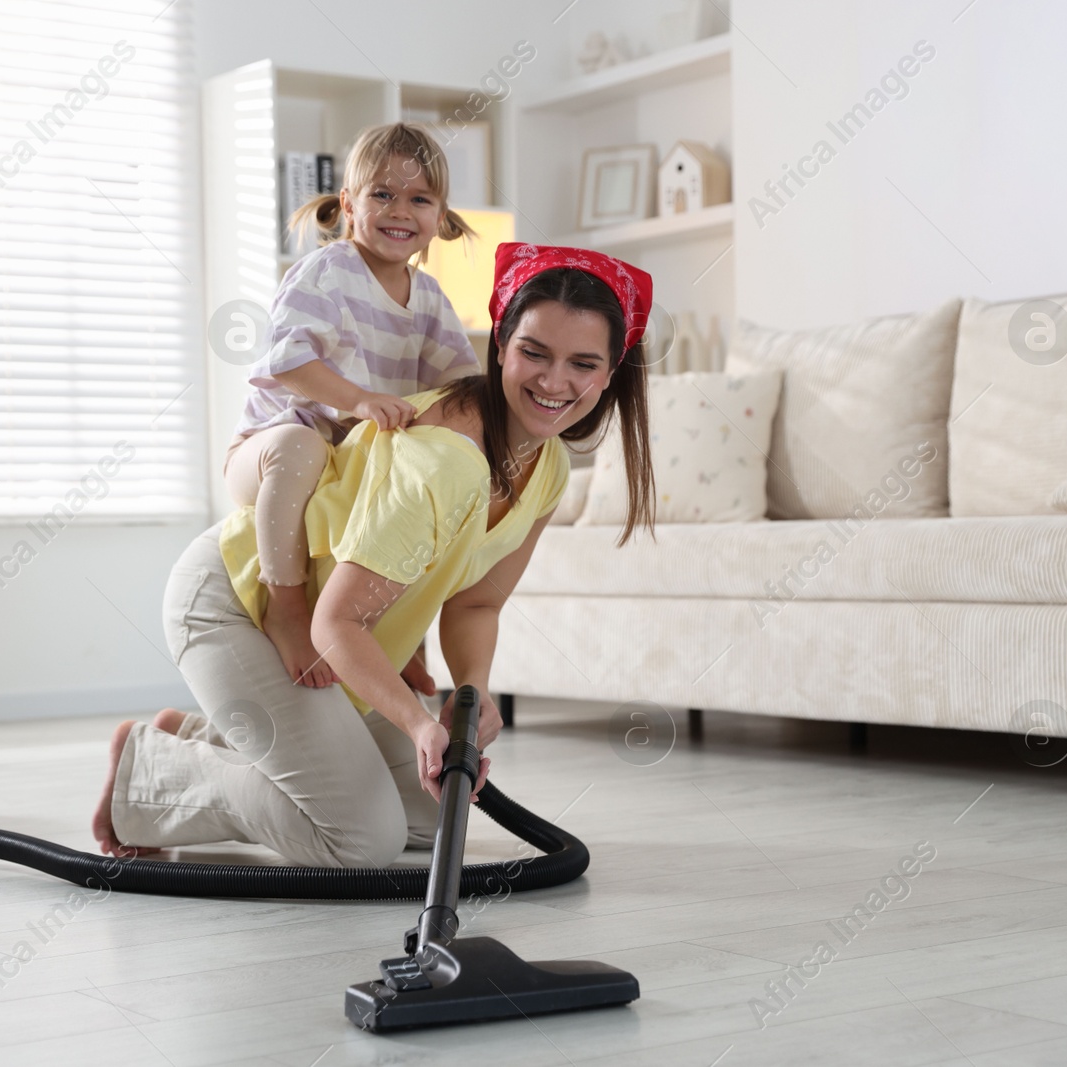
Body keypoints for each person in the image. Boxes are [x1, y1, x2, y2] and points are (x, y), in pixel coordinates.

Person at [92, 242, 656, 867]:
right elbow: (335, 622)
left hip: (328, 630)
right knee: (361, 841)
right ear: (500, 347)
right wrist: (419, 727)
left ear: (611, 373)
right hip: (243, 604)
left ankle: (198, 738)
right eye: (533, 352)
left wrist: (471, 694)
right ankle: (151, 777)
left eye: (583, 363)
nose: (555, 382)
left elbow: (477, 603)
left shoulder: (547, 465)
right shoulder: (442, 463)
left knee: (433, 813)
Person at [226, 123, 480, 692]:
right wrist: (360, 399)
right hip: (266, 452)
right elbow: (287, 359)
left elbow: (462, 384)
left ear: (439, 218)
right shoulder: (328, 271)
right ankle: (287, 608)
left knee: (422, 485)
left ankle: (400, 638)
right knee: (302, 443)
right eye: (382, 194)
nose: (400, 210)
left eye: (419, 199)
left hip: (346, 465)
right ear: (348, 204)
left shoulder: (431, 299)